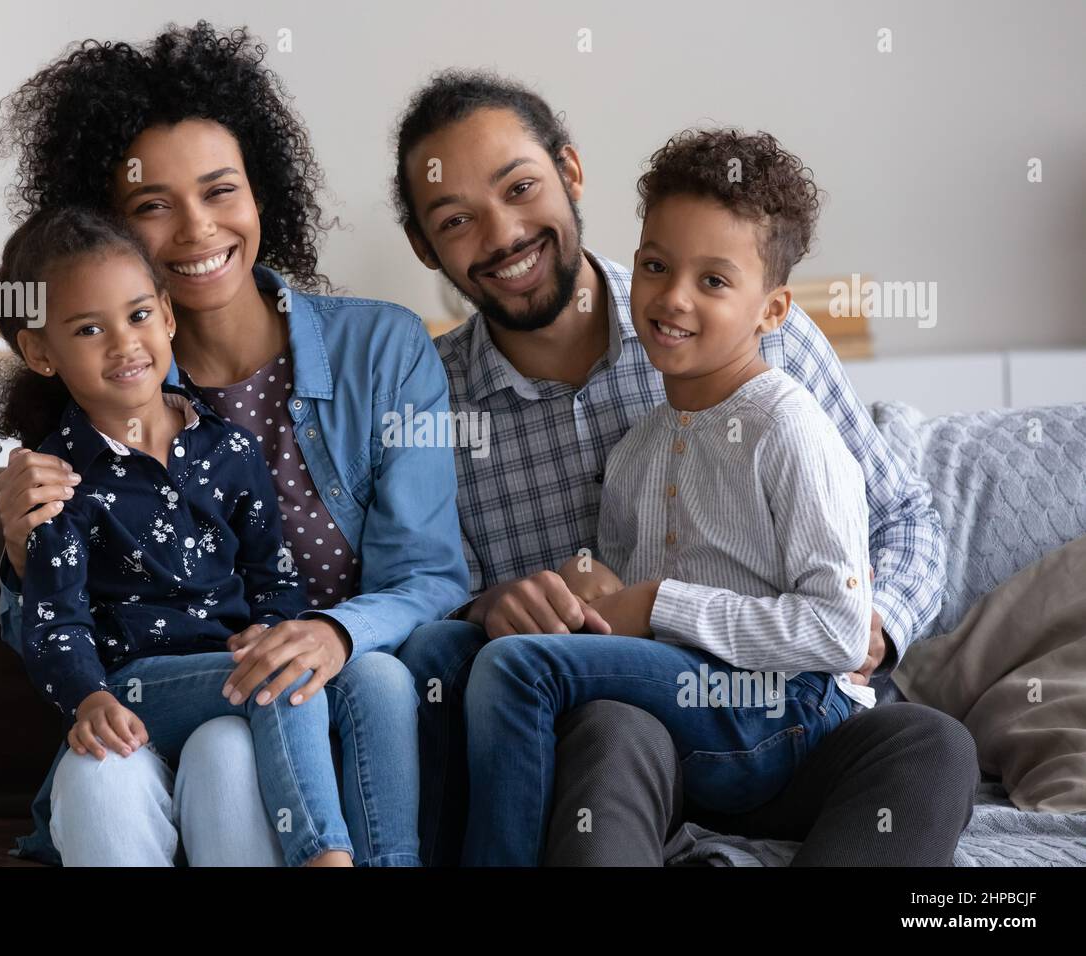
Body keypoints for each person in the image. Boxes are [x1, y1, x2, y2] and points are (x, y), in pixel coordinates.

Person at [391, 70, 978, 866]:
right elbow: (419, 603)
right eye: (457, 219)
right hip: (627, 734)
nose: (501, 234)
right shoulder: (423, 402)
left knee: (931, 744)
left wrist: (879, 627)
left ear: (569, 173)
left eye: (520, 187)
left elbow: (903, 521)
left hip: (800, 707)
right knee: (608, 732)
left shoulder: (766, 347)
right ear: (425, 248)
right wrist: (493, 606)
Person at [0, 22, 466, 866]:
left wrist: (329, 633)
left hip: (315, 700)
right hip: (154, 711)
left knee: (362, 686)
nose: (199, 229)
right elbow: (51, 624)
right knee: (153, 759)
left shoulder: (381, 350)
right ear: (112, 237)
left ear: (261, 191)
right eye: (152, 206)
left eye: (220, 191)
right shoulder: (98, 399)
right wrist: (19, 554)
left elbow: (429, 576)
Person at [462, 128, 880, 865]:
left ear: (773, 311)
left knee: (516, 665)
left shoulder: (789, 428)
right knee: (577, 706)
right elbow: (630, 631)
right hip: (686, 718)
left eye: (714, 281)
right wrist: (595, 591)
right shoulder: (638, 450)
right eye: (655, 265)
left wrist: (657, 604)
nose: (672, 297)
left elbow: (840, 632)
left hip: (784, 707)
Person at [0, 204, 358, 866]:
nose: (124, 343)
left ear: (167, 312)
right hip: (136, 689)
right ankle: (326, 856)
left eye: (136, 315)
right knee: (276, 676)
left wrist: (272, 625)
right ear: (41, 352)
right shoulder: (60, 482)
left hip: (225, 696)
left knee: (272, 676)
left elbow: (275, 578)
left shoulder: (230, 450)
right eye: (88, 329)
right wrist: (90, 695)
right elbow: (54, 624)